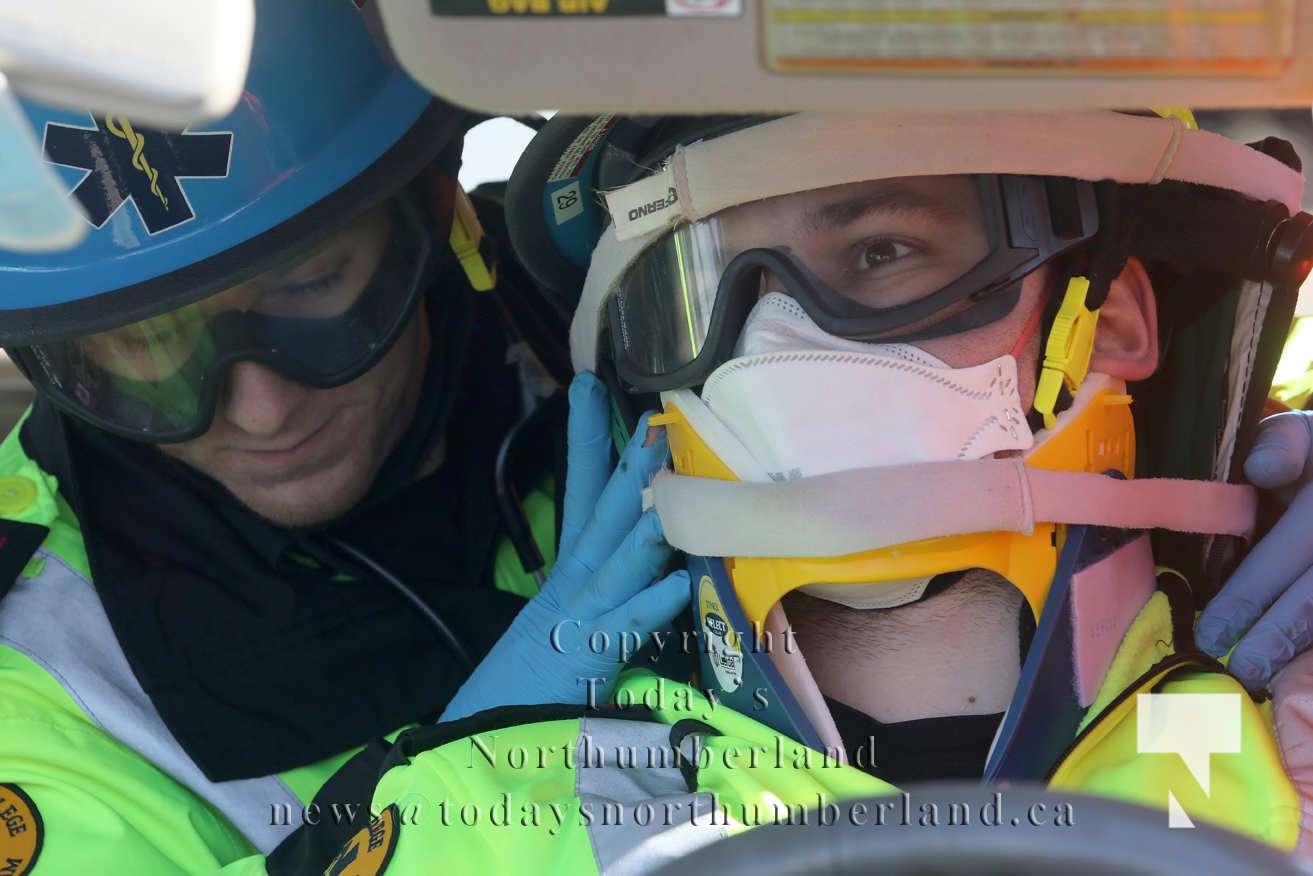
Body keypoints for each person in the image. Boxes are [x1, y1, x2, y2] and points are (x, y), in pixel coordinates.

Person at [297, 108, 1313, 874]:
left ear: (1111, 322)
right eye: (705, 289)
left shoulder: (1289, 754)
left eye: (880, 253)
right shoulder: (493, 818)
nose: (769, 347)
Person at [0, 4, 687, 875]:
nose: (262, 411)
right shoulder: (32, 680)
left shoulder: (637, 313)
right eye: (151, 343)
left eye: (311, 286)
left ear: (436, 215)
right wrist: (448, 794)